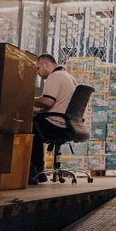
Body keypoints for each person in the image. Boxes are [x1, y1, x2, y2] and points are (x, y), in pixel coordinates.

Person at [29, 53, 78, 184]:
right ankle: (40, 173)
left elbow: (48, 101)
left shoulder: (54, 76)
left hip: (56, 123)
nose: (38, 72)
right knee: (35, 123)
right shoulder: (67, 76)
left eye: (38, 68)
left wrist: (28, 99)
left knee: (28, 128)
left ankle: (33, 172)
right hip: (66, 123)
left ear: (47, 64)